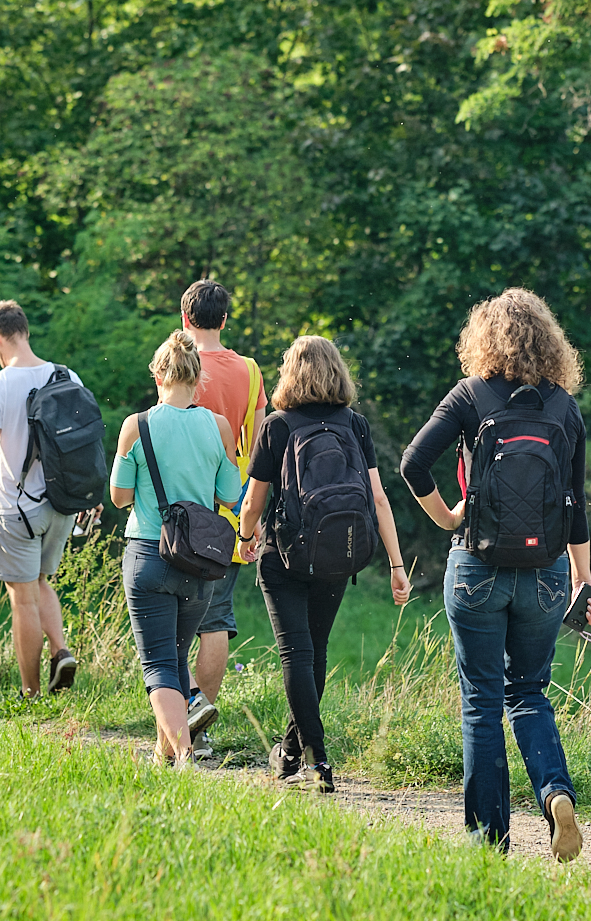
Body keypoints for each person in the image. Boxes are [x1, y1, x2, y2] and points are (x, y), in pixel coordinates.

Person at [398, 288, 591, 860]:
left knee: (481, 702)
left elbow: (413, 463)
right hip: (546, 573)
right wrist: (583, 580)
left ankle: (489, 845)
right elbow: (577, 503)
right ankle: (555, 793)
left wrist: (449, 517)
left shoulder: (470, 395)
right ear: (549, 342)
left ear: (482, 338)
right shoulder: (565, 407)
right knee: (530, 694)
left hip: (476, 567)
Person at [236, 336, 411, 793]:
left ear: (289, 374)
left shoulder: (277, 426)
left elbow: (255, 498)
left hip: (286, 554)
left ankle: (317, 762)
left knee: (296, 652)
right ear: (338, 372)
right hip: (338, 553)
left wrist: (244, 534)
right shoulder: (354, 423)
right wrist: (396, 563)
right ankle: (293, 752)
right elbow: (376, 496)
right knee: (314, 649)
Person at [110, 330, 242, 767]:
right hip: (199, 564)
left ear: (158, 374)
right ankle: (162, 755)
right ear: (197, 376)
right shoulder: (217, 426)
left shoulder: (137, 425)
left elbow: (119, 496)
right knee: (176, 658)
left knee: (159, 665)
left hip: (149, 554)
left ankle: (183, 751)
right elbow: (229, 495)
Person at [0, 300, 84, 697]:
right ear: (24, 330)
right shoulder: (66, 375)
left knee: (22, 598)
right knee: (40, 581)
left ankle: (30, 693)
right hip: (61, 505)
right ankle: (60, 650)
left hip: (17, 511)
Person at [177, 279, 266, 750]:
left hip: (176, 514)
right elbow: (255, 448)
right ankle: (201, 723)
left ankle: (183, 706)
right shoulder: (250, 371)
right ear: (225, 320)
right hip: (229, 514)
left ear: (185, 318)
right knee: (216, 619)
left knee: (166, 615)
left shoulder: (176, 362)